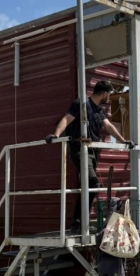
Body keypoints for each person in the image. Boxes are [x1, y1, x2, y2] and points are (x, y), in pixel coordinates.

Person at [46, 80, 134, 233]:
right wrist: (55, 135)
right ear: (105, 93)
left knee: (89, 185)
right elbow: (66, 119)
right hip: (80, 150)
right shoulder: (81, 104)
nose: (109, 98)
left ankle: (79, 223)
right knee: (93, 183)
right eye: (109, 94)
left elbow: (108, 126)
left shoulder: (99, 110)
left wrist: (123, 140)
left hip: (92, 152)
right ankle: (78, 224)